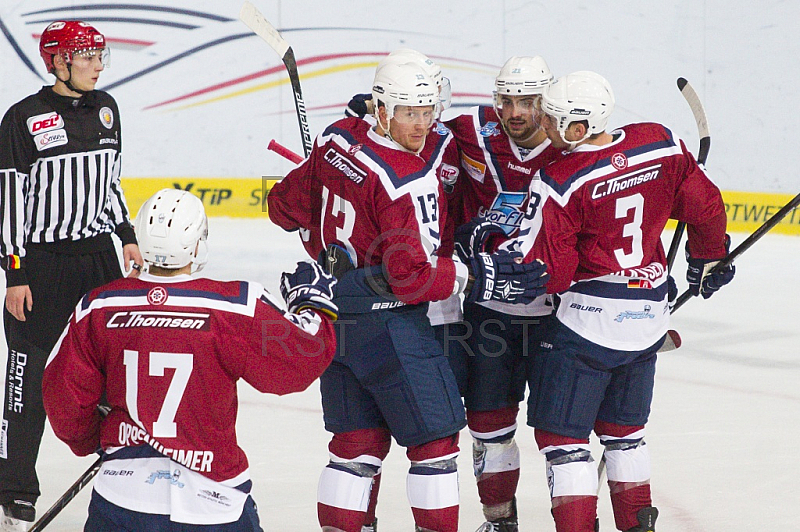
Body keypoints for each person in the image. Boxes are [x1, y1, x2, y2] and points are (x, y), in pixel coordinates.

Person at [269, 62, 547, 532]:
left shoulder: (335, 139)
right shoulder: (408, 177)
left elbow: (282, 208)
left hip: (334, 316)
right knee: (436, 446)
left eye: (427, 112)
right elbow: (412, 279)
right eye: (407, 113)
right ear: (381, 109)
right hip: (392, 325)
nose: (420, 124)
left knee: (354, 448)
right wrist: (474, 273)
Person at [510, 71, 735, 532]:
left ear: (577, 128)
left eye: (552, 120)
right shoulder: (661, 142)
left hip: (585, 328)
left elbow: (545, 270)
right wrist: (709, 258)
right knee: (626, 437)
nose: (544, 126)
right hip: (647, 320)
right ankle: (637, 526)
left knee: (563, 440)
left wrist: (493, 262)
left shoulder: (560, 179)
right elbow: (706, 207)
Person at [41, 188, 338, 531]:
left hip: (122, 497)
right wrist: (313, 302)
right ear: (197, 244)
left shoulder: (100, 306)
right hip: (213, 504)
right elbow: (300, 361)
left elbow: (62, 396)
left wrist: (92, 438)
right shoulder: (235, 305)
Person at [0, 20, 142, 529]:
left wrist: (125, 236)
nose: (100, 65)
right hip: (40, 265)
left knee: (116, 365)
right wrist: (15, 271)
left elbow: (111, 180)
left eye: (101, 55)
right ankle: (14, 488)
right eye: (89, 56)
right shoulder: (23, 118)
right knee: (28, 378)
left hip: (98, 259)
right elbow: (10, 199)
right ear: (59, 61)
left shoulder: (107, 109)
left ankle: (129, 466)